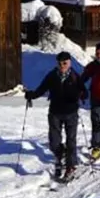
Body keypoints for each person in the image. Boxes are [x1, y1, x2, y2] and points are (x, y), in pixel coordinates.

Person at [25, 51, 82, 182]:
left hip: (71, 113)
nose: (62, 65)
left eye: (65, 63)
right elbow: (41, 89)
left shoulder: (75, 76)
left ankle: (70, 166)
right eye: (60, 63)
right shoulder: (52, 76)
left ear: (69, 63)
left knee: (71, 140)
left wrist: (81, 95)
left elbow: (83, 90)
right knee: (54, 142)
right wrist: (31, 95)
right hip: (55, 112)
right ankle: (60, 154)